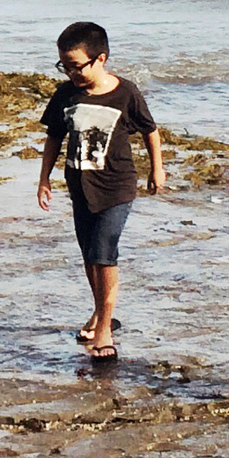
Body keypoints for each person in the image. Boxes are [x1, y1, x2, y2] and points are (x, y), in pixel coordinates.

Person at [38, 22, 164, 361]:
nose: (71, 72)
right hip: (80, 187)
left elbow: (150, 131)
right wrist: (44, 179)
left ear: (101, 58)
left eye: (77, 65)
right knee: (90, 256)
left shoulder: (126, 93)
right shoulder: (66, 95)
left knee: (105, 253)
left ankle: (105, 329)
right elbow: (54, 137)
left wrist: (157, 168)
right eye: (65, 66)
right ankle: (98, 313)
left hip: (117, 187)